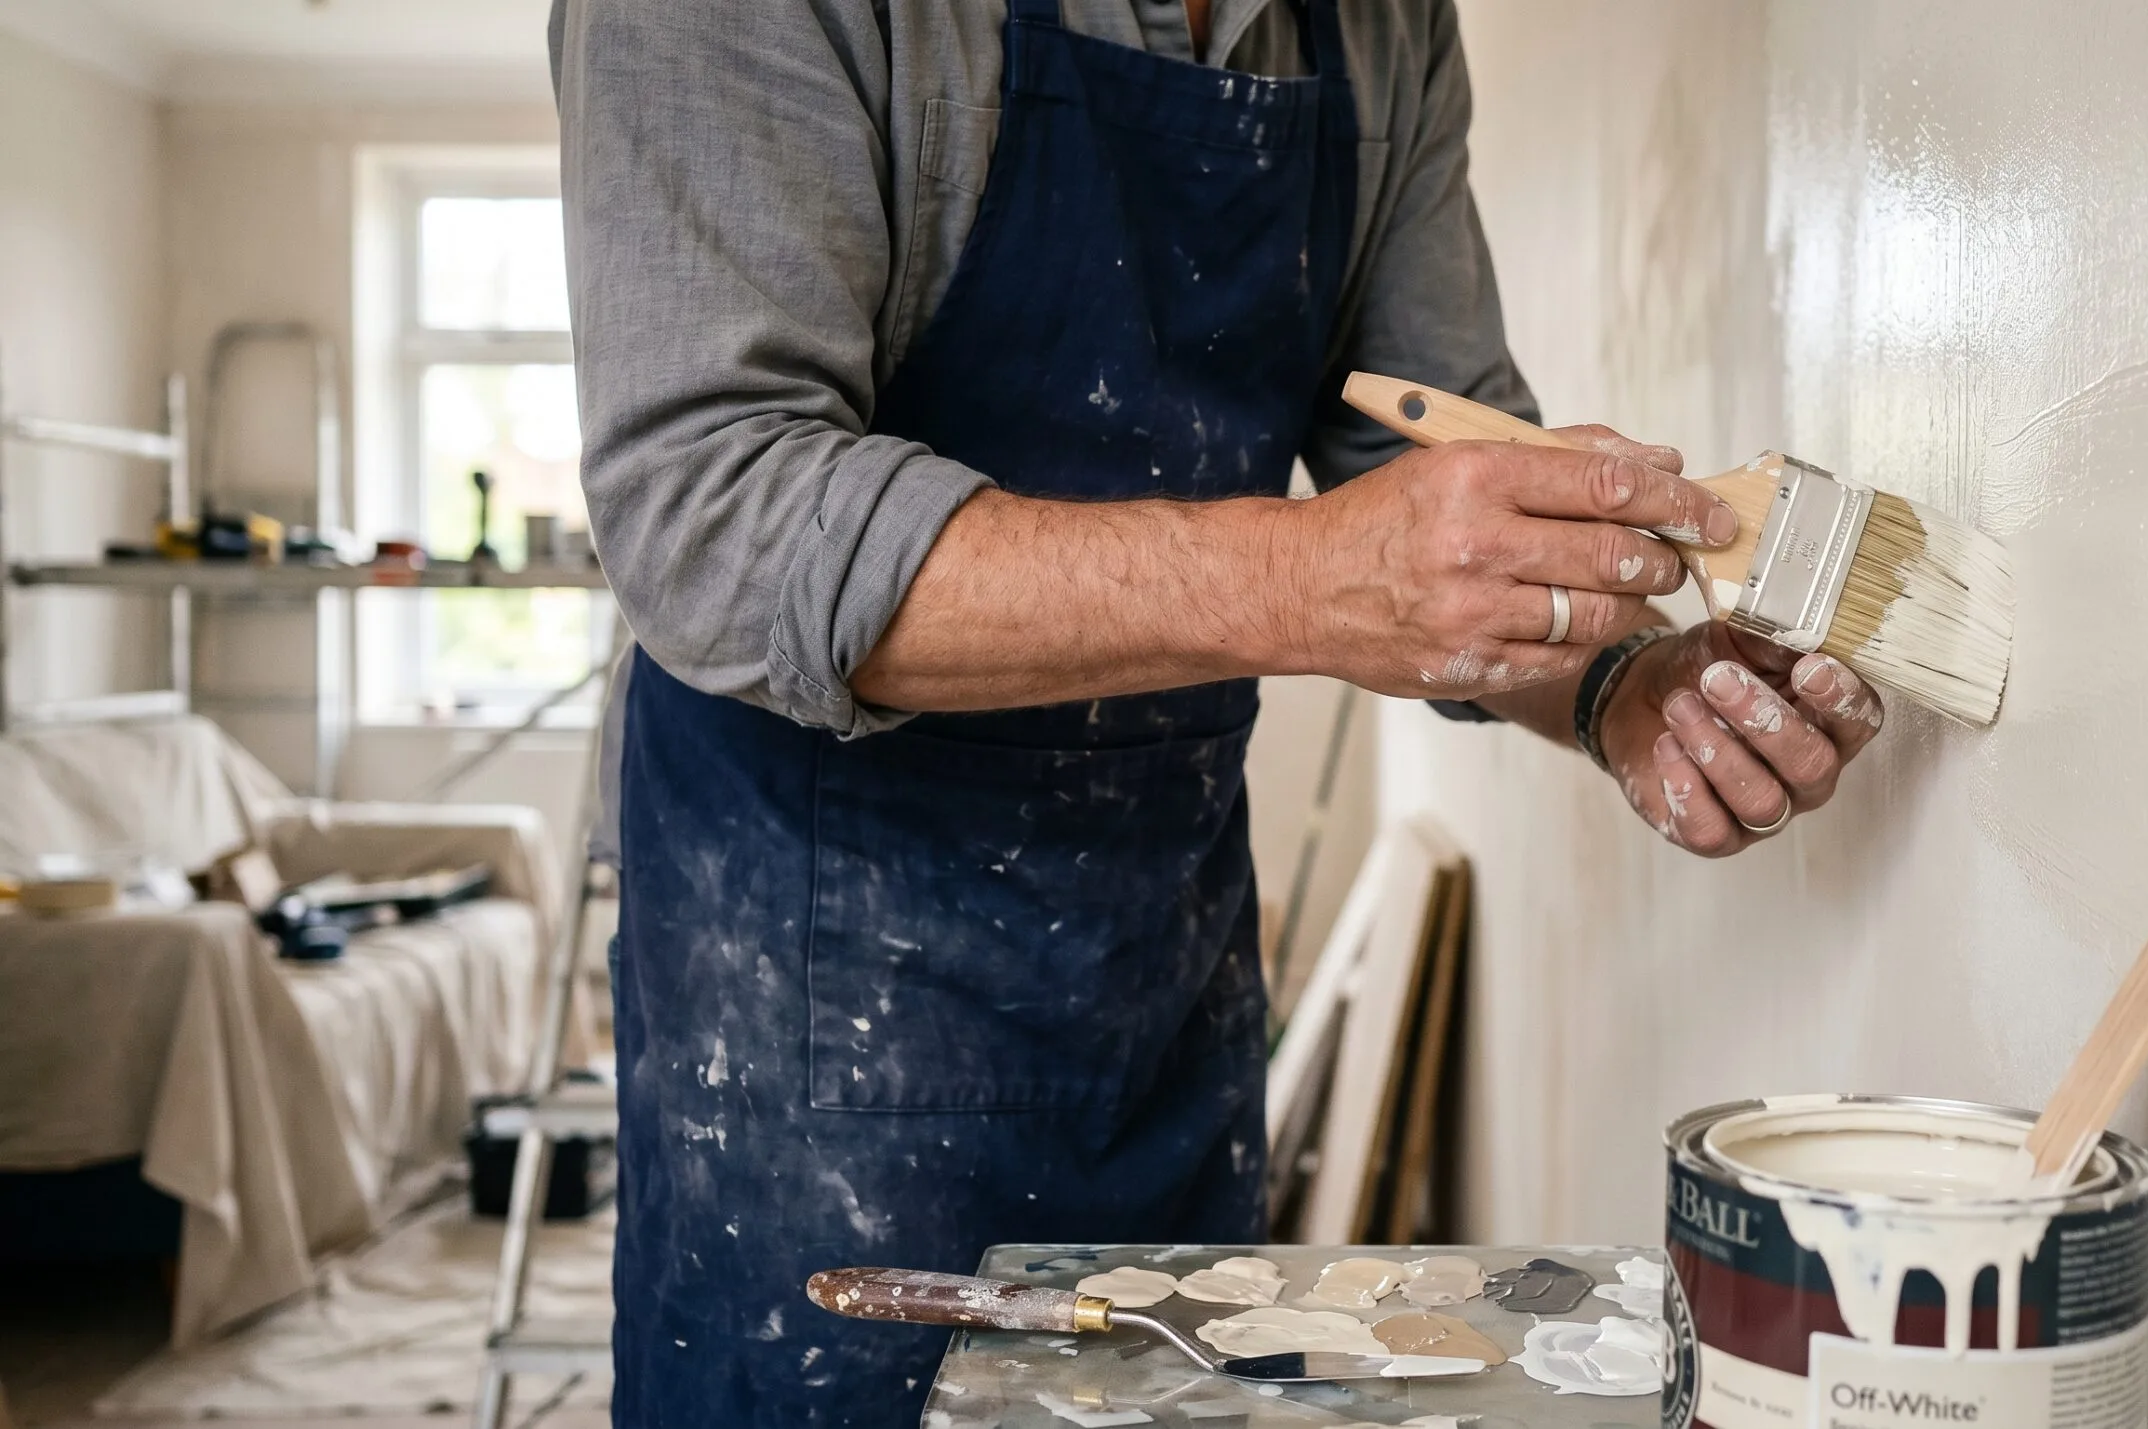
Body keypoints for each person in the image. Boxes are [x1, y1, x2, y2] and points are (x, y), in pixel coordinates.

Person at [552, 0, 1883, 1421]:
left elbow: (1433, 443)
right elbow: (713, 515)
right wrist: (1313, 579)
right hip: (811, 1024)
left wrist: (1623, 684)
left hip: (1161, 990)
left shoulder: (1382, 30)